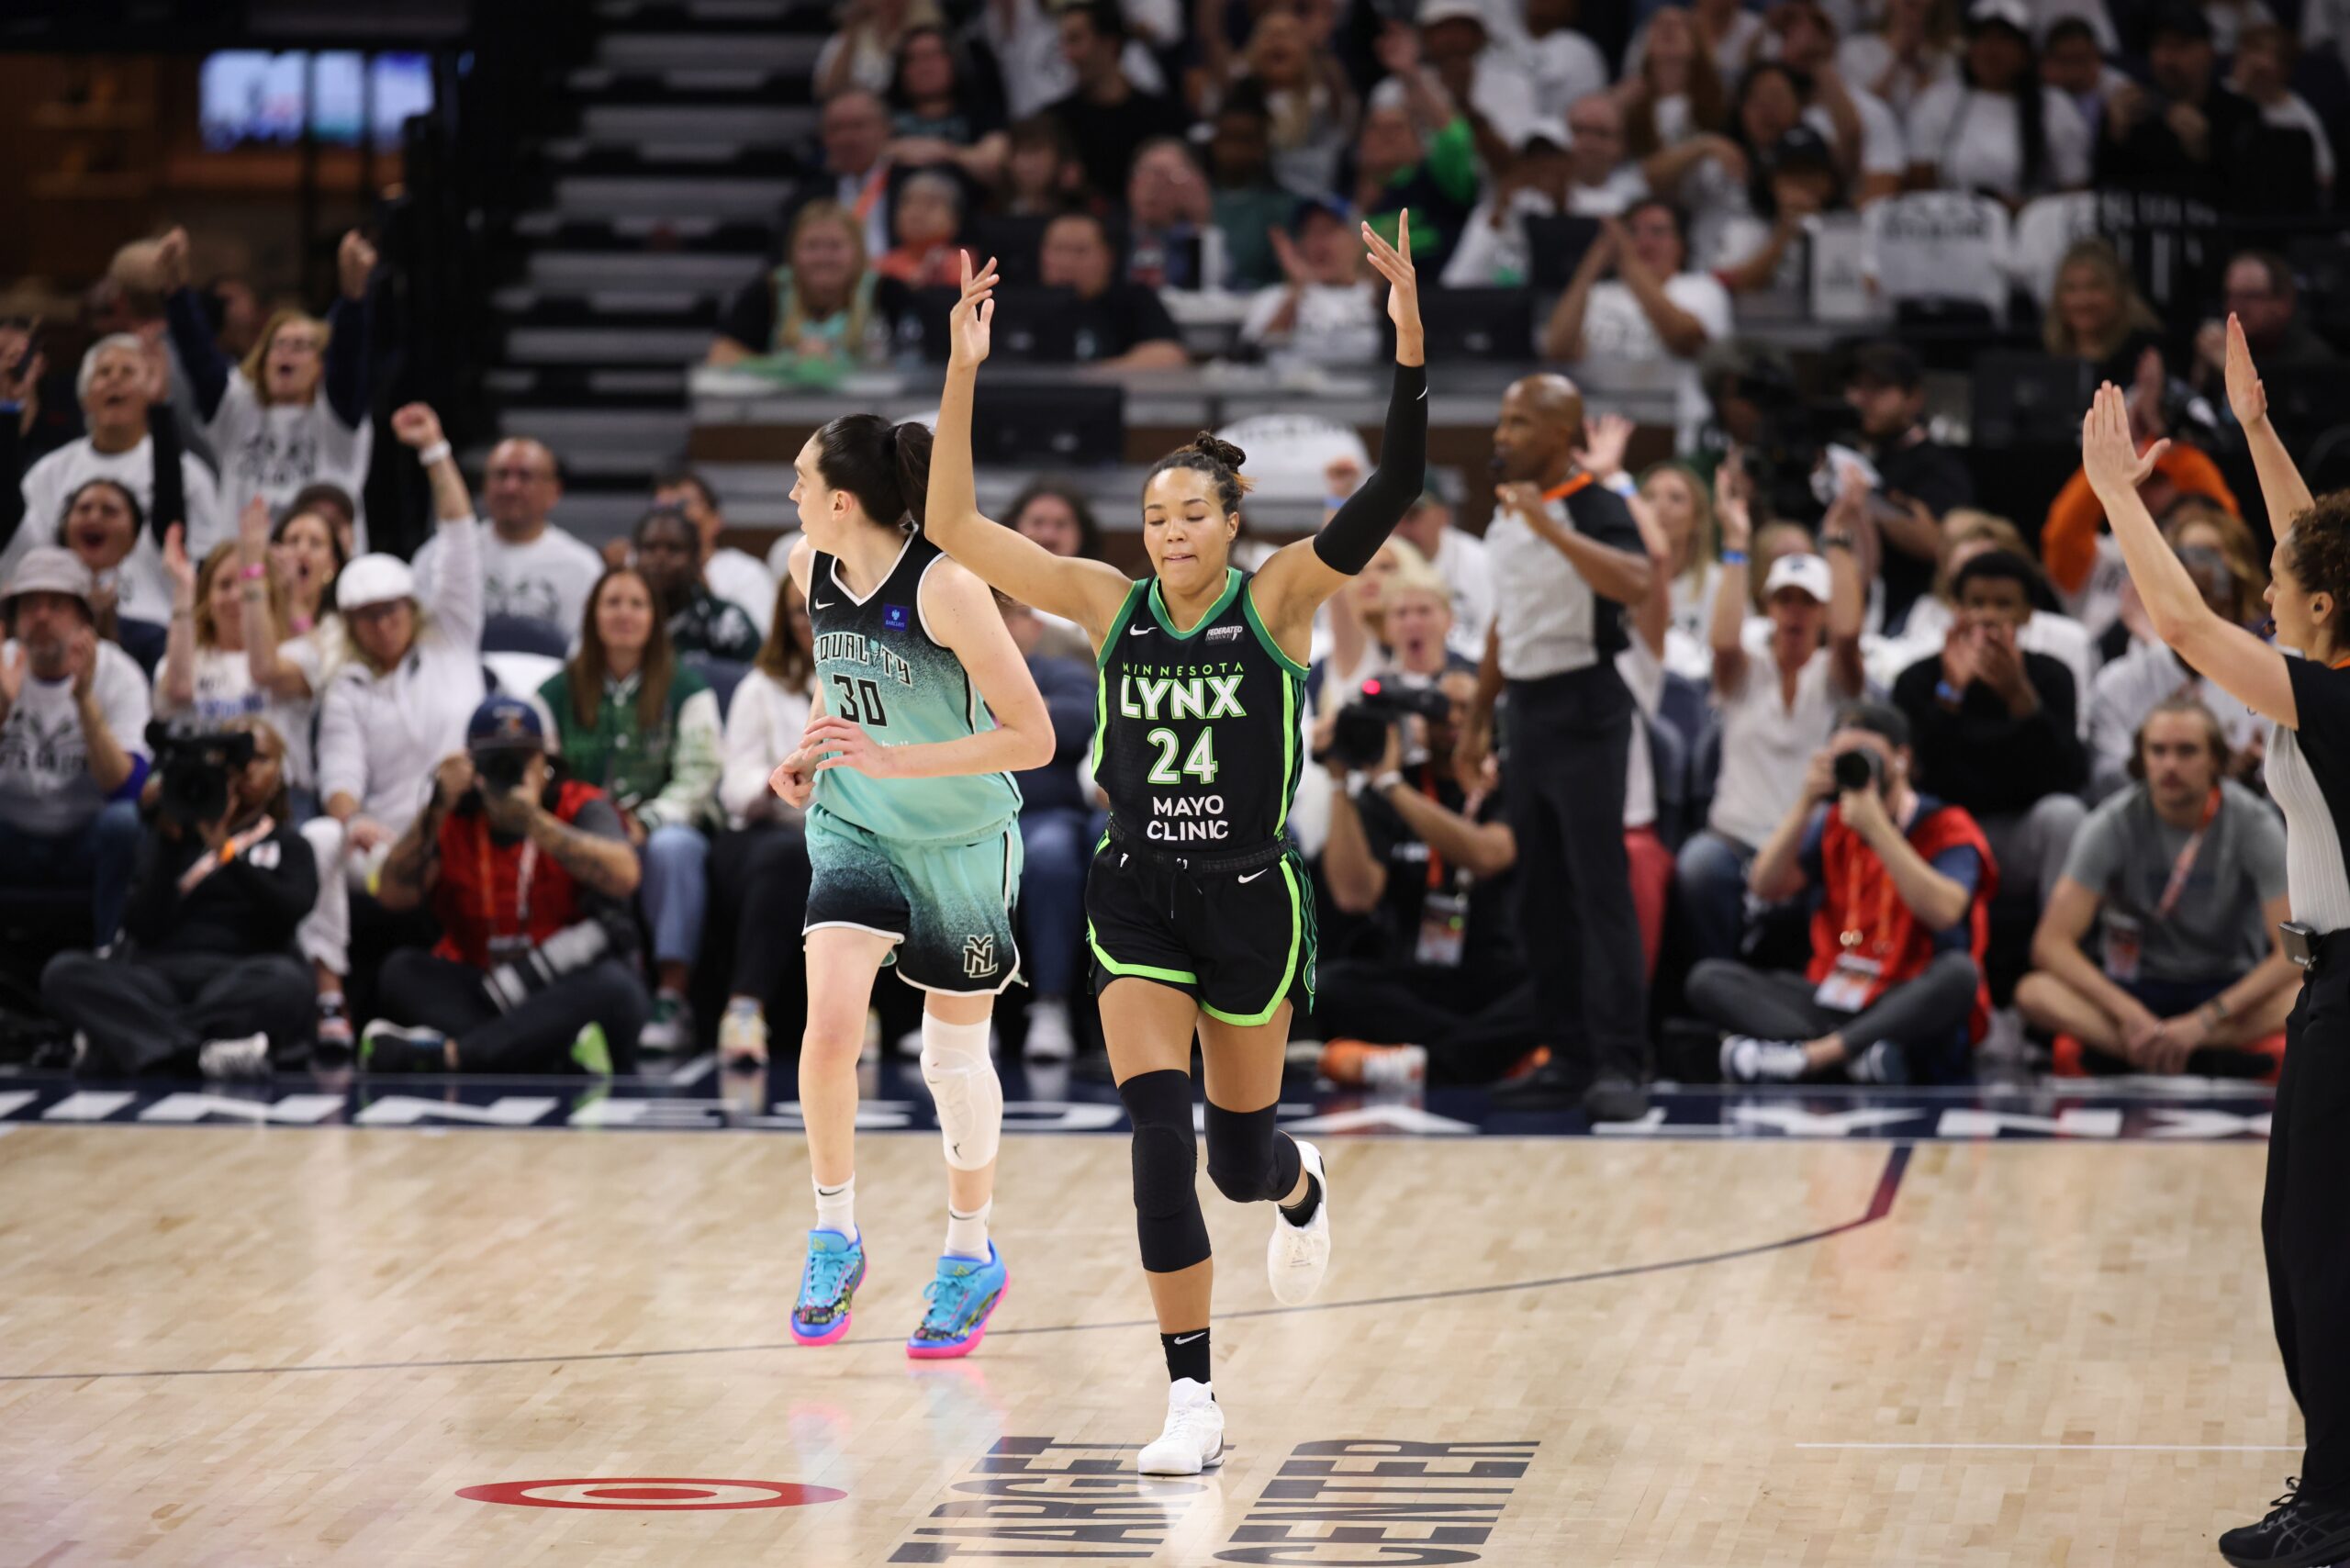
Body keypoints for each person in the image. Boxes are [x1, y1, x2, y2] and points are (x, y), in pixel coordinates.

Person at [923, 221, 1424, 1471]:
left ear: (1232, 519)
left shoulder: (1284, 598)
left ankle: (1298, 1181)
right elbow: (954, 527)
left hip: (1252, 901)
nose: (1166, 533)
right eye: (1152, 516)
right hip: (1136, 895)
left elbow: (1401, 483)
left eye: (1188, 515)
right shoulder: (1107, 602)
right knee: (1156, 1140)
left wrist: (1410, 339)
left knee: (1239, 1164)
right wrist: (963, 369)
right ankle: (1193, 1399)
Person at [2081, 324, 2350, 1565]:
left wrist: (2120, 499)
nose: (2267, 599)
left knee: (2319, 1252)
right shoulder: (2336, 660)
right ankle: (2331, 1486)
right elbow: (2310, 545)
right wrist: (2251, 428)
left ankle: (2339, 1508)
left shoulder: (2337, 694)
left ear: (2322, 618)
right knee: (2300, 1245)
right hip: (2328, 992)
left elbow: (2185, 626)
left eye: (2285, 601)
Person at [768, 404, 1057, 1364]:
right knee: (830, 1029)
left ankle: (969, 1254)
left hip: (962, 835)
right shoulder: (808, 567)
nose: (792, 495)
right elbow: (841, 684)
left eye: (802, 482)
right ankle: (832, 1233)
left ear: (844, 500)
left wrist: (896, 762)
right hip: (855, 821)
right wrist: (810, 750)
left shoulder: (948, 589)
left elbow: (1035, 738)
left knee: (947, 1062)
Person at [1457, 370, 1659, 1121]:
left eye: (1518, 423)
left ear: (1559, 434)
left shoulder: (1596, 506)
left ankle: (1620, 1063)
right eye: (1503, 421)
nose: (1501, 435)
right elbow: (1506, 624)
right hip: (1528, 711)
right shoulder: (1505, 517)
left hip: (1587, 706)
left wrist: (1554, 529)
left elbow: (1637, 582)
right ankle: (1567, 1054)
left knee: (1598, 891)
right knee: (1536, 896)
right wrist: (1479, 717)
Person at [1695, 700, 1995, 1082]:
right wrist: (1806, 802)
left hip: (1901, 995)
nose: (1854, 765)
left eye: (1865, 755)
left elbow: (1946, 911)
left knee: (1959, 975)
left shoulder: (1946, 825)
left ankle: (1813, 1057)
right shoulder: (1835, 822)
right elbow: (1764, 885)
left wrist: (1878, 830)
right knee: (1707, 979)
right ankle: (1854, 1055)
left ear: (1902, 758)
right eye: (1843, 757)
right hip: (1834, 992)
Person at [359, 696, 649, 1076]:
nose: (510, 770)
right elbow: (392, 894)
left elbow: (625, 875)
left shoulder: (578, 804)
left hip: (560, 982)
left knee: (617, 989)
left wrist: (534, 822)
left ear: (546, 762)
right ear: (472, 766)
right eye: (496, 760)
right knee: (401, 972)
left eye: (522, 759)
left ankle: (452, 1055)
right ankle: (552, 1052)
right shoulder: (452, 815)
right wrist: (436, 806)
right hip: (484, 986)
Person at [2018, 697, 2296, 1077]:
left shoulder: (2253, 824)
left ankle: (2173, 1049)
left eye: (2186, 751)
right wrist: (2129, 1014)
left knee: (2305, 994)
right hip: (2135, 991)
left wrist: (2205, 1020)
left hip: (2225, 992)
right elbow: (2050, 944)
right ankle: (2175, 1051)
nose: (2170, 765)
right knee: (2034, 993)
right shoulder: (2112, 822)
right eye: (2158, 751)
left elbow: (2292, 953)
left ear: (2216, 759)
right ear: (2141, 758)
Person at [316, 405, 486, 1017]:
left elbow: (460, 535)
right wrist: (351, 818)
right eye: (367, 615)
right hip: (387, 847)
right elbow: (339, 778)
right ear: (351, 624)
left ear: (411, 608)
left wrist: (435, 451)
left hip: (470, 827)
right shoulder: (347, 687)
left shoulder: (451, 636)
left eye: (392, 609)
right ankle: (331, 1001)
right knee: (331, 847)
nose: (383, 624)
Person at [41, 717, 315, 1080]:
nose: (244, 771)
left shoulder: (288, 843)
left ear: (280, 774)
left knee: (290, 983)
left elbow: (289, 911)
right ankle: (201, 1053)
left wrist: (227, 854)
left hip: (238, 973)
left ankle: (135, 1041)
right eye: (231, 762)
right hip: (158, 976)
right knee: (63, 974)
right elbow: (139, 923)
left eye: (259, 759)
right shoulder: (168, 835)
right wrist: (170, 843)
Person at [1314, 648, 1536, 1090]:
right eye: (1442, 707)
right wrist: (1341, 779)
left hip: (1495, 973)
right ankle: (1482, 1058)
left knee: (1558, 990)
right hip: (1413, 977)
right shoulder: (1396, 784)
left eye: (1467, 706)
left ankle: (1419, 1065)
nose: (1453, 718)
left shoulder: (1509, 781)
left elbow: (1489, 855)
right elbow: (1354, 895)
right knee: (1330, 986)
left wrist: (1392, 787)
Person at [1674, 464, 1865, 964]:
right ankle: (1718, 988)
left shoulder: (1833, 675)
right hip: (1734, 840)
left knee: (1838, 868)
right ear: (1768, 606)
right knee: (1698, 864)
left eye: (1808, 602)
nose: (1795, 612)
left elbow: (1848, 636)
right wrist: (1736, 541)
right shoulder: (1745, 671)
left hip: (1807, 846)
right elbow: (1722, 640)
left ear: (1822, 613)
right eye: (1785, 600)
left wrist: (1838, 538)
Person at [537, 565, 724, 1053]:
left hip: (659, 826)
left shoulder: (687, 688)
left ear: (654, 619)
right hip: (584, 830)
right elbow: (540, 777)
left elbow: (700, 775)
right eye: (612, 602)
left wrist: (650, 820)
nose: (624, 614)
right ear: (592, 616)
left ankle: (671, 995)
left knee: (675, 848)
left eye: (637, 604)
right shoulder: (554, 692)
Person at [1890, 549, 2087, 912]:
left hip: (2017, 834)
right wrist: (1950, 696)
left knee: (2065, 815)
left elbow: (2070, 776)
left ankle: (2058, 945)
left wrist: (2022, 702)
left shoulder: (2051, 677)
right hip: (1939, 832)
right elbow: (1916, 775)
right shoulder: (1918, 679)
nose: (1989, 616)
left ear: (2027, 613)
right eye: (1977, 603)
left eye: (2004, 604)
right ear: (1957, 610)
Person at [156, 225, 375, 545]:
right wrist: (176, 293)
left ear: (320, 366)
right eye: (279, 344)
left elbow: (349, 357)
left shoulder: (336, 417)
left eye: (302, 347)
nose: (287, 352)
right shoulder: (237, 407)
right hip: (242, 571)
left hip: (322, 573)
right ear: (262, 358)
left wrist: (354, 297)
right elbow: (199, 357)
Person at [0, 546, 151, 946]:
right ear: (14, 619)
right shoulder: (2, 665)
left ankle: (109, 953)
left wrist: (84, 700)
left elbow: (129, 788)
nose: (42, 617)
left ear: (86, 619)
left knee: (124, 823)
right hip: (11, 832)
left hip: (84, 835)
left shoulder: (118, 674)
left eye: (56, 605)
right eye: (30, 606)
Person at [14, 335, 223, 585]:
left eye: (127, 372)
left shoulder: (188, 474)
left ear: (151, 391)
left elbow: (205, 561)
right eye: (104, 373)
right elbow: (24, 554)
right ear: (85, 398)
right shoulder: (48, 472)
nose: (114, 379)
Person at [712, 577, 817, 1070]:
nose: (812, 621)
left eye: (821, 608)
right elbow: (735, 786)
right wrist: (782, 776)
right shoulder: (760, 687)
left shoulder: (877, 679)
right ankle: (744, 1007)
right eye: (799, 611)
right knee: (788, 855)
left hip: (852, 831)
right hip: (763, 834)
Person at [1541, 202, 1733, 446]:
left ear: (1681, 244)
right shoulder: (1600, 295)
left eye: (1657, 232)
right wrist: (1591, 265)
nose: (1644, 242)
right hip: (1602, 434)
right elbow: (1558, 350)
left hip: (1679, 433)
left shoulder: (1702, 288)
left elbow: (1685, 340)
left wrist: (1629, 263)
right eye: (1633, 233)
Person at [1000, 593, 1094, 1062]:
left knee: (1052, 857)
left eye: (1009, 615)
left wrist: (1000, 719)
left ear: (1032, 626)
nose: (998, 625)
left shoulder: (1060, 672)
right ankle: (959, 1008)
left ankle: (1051, 1005)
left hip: (1045, 815)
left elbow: (1079, 723)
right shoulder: (953, 676)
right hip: (964, 815)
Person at [1842, 342, 1975, 633]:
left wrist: (1871, 499)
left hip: (1915, 615)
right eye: (1858, 388)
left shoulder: (1937, 463)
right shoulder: (1853, 451)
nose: (1863, 399)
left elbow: (1936, 543)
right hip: (1854, 602)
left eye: (1878, 389)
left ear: (1913, 398)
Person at [410, 435, 601, 637]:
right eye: (501, 475)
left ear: (554, 491)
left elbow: (583, 653)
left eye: (525, 476)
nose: (510, 488)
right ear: (484, 485)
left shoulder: (581, 567)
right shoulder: (440, 555)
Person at [1904, 0, 2092, 201]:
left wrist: (2016, 209)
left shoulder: (2054, 107)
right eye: (1982, 38)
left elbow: (2075, 194)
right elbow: (1919, 186)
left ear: (2026, 52)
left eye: (2004, 40)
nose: (1991, 50)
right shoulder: (1938, 101)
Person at [2095, 2, 2269, 209]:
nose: (2167, 58)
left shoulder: (2240, 114)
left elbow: (2251, 203)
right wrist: (2115, 137)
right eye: (2159, 45)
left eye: (2180, 46)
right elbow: (2104, 192)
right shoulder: (2132, 110)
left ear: (2207, 52)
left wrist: (2204, 152)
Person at [711, 200, 910, 373]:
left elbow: (916, 360)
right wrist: (786, 365)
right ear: (792, 253)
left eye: (835, 246)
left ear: (858, 253)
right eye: (811, 246)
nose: (822, 258)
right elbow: (721, 356)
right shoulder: (768, 291)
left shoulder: (886, 292)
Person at [1044, 1, 1193, 202]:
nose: (1067, 55)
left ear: (1110, 44)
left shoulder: (1165, 118)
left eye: (1075, 40)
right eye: (1064, 43)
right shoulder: (1054, 122)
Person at [1240, 197, 1383, 366]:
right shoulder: (1274, 298)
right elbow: (1254, 357)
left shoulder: (1381, 296)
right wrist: (1297, 292)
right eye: (1309, 233)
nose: (1319, 244)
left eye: (1329, 231)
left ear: (1358, 241)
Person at [1035, 212, 1190, 369]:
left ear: (1107, 256)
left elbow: (1169, 355)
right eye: (1058, 249)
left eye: (1080, 251)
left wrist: (1084, 379)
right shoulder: (1025, 303)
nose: (1067, 262)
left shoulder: (1134, 300)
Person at [631, 503, 762, 664]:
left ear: (696, 559)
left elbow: (760, 681)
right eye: (650, 548)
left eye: (673, 549)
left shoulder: (728, 622)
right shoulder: (620, 620)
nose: (660, 559)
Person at [653, 467, 777, 636]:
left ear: (715, 519)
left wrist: (707, 598)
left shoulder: (747, 574)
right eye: (662, 508)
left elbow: (760, 649)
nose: (673, 518)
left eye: (683, 505)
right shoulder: (637, 569)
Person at [2042, 236, 2164, 386]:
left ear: (2119, 292)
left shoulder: (2145, 353)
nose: (2083, 300)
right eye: (2071, 288)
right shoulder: (2043, 352)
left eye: (2095, 287)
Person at [1393, 489, 1493, 659]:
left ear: (1442, 516)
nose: (1402, 527)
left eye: (1412, 516)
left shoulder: (1479, 559)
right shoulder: (1380, 562)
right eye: (1393, 518)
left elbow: (1495, 638)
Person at [874, 170, 967, 289]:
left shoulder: (966, 263)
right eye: (908, 202)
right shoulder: (881, 267)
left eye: (930, 204)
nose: (917, 213)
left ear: (955, 218)